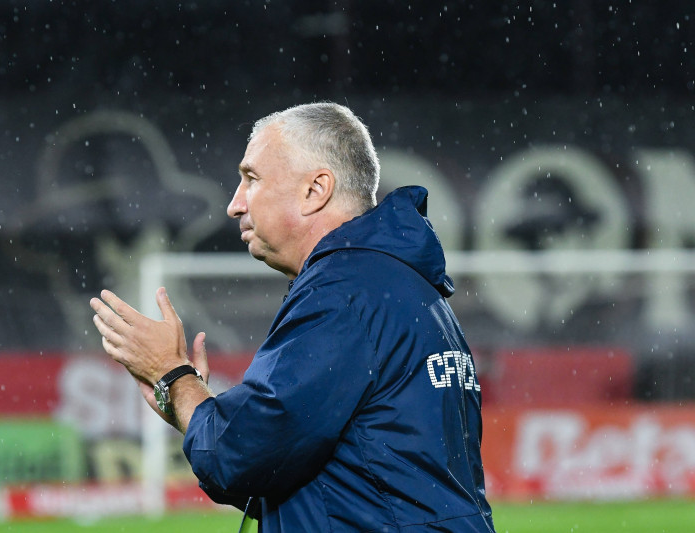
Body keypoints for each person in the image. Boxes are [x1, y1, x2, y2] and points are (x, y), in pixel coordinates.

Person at [90, 102, 496, 532]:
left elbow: (239, 456)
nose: (234, 204)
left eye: (252, 179)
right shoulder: (401, 286)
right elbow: (290, 471)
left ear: (315, 190)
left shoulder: (343, 293)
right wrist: (191, 406)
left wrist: (172, 375)